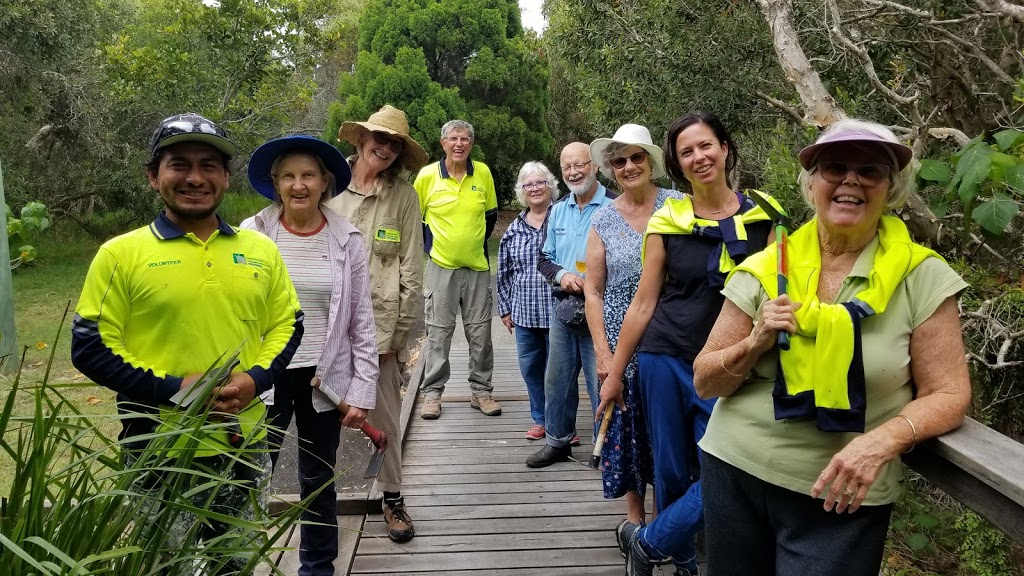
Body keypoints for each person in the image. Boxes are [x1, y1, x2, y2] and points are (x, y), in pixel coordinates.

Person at [693, 119, 972, 576]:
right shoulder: (766, 268)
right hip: (734, 471)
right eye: (835, 167)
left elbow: (949, 393)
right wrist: (755, 341)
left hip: (843, 494)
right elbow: (705, 380)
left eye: (871, 171)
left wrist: (882, 442)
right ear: (812, 185)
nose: (851, 180)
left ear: (891, 188)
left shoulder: (922, 277)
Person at [71, 113, 304, 573]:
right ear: (153, 176)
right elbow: (90, 347)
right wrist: (178, 389)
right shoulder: (121, 254)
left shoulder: (260, 250)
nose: (195, 178)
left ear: (225, 178)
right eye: (179, 164)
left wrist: (255, 381)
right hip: (158, 452)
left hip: (244, 444)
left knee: (236, 564)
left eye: (209, 165)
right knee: (164, 567)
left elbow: (289, 324)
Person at [604, 112, 782, 575]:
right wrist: (616, 371)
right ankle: (683, 560)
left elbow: (789, 287)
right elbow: (643, 303)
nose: (699, 157)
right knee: (670, 468)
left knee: (728, 467)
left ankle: (651, 542)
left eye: (706, 146)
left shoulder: (765, 215)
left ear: (725, 148)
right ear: (678, 165)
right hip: (664, 356)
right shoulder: (669, 219)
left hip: (730, 364)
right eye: (687, 151)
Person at [242, 134, 378, 575]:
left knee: (318, 480)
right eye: (288, 176)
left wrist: (361, 390)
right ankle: (240, 560)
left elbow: (361, 320)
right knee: (248, 475)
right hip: (261, 377)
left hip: (325, 376)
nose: (298, 185)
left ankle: (318, 567)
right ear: (275, 183)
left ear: (325, 182)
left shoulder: (347, 238)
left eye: (307, 176)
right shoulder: (251, 234)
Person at [327, 104, 427, 543]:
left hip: (381, 327)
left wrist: (399, 333)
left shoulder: (404, 197)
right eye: (378, 138)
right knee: (320, 417)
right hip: (326, 326)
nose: (383, 147)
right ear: (360, 139)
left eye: (393, 143)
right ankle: (319, 501)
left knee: (384, 415)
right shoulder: (328, 185)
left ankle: (393, 498)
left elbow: (411, 268)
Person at [585, 124, 681, 541]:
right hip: (618, 343)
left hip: (673, 341)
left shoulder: (679, 206)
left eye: (636, 157)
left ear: (651, 161)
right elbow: (592, 290)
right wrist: (605, 358)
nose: (628, 166)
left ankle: (672, 520)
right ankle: (635, 518)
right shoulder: (603, 218)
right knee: (624, 426)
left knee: (669, 431)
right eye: (619, 160)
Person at [526, 142, 616, 468]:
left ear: (594, 166)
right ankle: (557, 442)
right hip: (563, 308)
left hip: (602, 312)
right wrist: (563, 276)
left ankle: (604, 449)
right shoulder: (559, 209)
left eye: (580, 165)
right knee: (557, 379)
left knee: (601, 381)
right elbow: (544, 259)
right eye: (567, 167)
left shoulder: (615, 207)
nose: (574, 172)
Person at [414, 119, 500, 419]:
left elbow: (490, 218)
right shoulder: (426, 176)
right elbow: (415, 221)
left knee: (480, 334)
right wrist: (435, 249)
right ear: (443, 143)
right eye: (453, 138)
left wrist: (470, 245)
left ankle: (482, 391)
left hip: (477, 268)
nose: (459, 144)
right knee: (438, 334)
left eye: (465, 139)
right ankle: (433, 394)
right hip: (441, 268)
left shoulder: (484, 173)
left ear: (471, 143)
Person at [497, 162, 558, 441]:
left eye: (539, 182)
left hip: (559, 313)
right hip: (524, 314)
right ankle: (541, 419)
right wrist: (505, 309)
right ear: (522, 191)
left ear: (550, 186)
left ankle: (561, 424)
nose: (534, 188)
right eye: (528, 184)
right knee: (532, 370)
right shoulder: (514, 229)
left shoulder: (562, 218)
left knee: (558, 372)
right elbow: (504, 271)